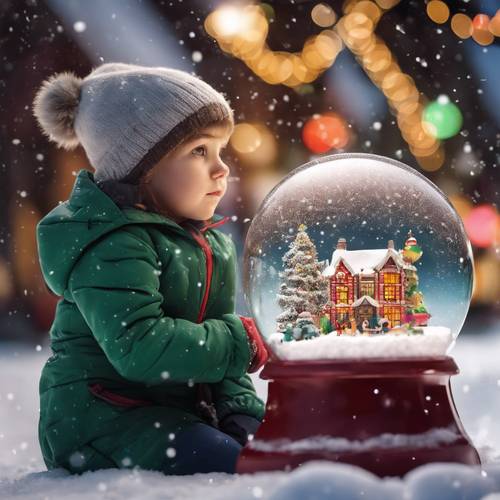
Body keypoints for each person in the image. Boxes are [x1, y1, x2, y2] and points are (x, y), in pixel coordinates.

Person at [32, 62, 269, 476]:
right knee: (230, 464)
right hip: (102, 421)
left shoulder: (210, 245)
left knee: (271, 451)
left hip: (174, 415)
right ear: (142, 169)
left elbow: (220, 361)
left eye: (219, 151)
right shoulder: (112, 244)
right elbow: (141, 347)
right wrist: (239, 341)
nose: (221, 168)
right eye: (199, 151)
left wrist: (242, 415)